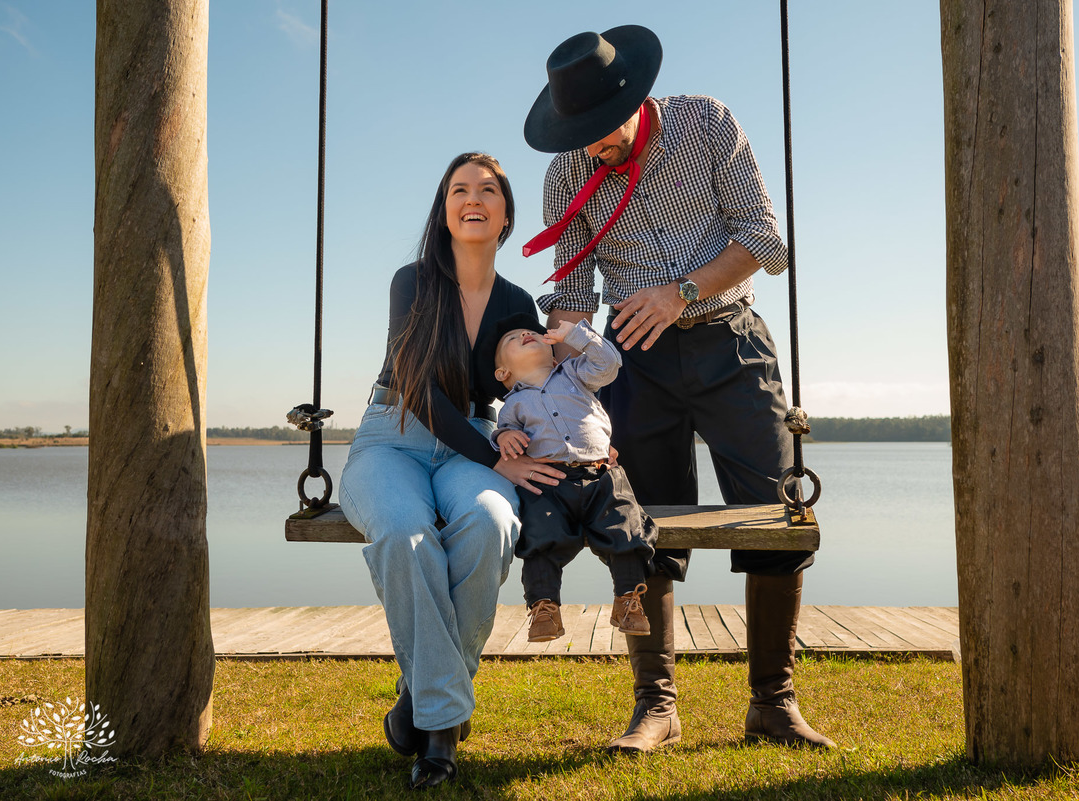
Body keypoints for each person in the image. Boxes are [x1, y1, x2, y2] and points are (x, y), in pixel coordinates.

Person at [522, 26, 835, 752]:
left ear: (635, 99)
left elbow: (767, 241)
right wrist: (547, 382)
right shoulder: (569, 173)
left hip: (733, 341)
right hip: (636, 362)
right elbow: (571, 292)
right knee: (642, 526)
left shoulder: (707, 123)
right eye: (580, 135)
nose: (592, 146)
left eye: (602, 131)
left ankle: (773, 703)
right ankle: (655, 706)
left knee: (776, 516)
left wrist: (679, 292)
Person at [338, 152, 566, 790]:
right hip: (396, 434)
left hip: (479, 438)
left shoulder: (518, 301)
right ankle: (440, 730)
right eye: (459, 189)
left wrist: (572, 438)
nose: (474, 199)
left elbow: (531, 387)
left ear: (504, 214)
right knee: (404, 529)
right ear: (444, 212)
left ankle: (419, 706)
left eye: (488, 190)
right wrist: (494, 456)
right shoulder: (411, 282)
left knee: (491, 521)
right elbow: (415, 383)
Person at [486, 313, 658, 642]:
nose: (526, 334)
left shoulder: (575, 374)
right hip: (549, 485)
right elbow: (504, 432)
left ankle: (628, 599)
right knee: (538, 536)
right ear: (503, 373)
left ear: (553, 353)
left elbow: (609, 363)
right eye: (513, 338)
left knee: (627, 526)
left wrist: (578, 334)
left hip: (601, 475)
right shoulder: (513, 404)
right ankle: (543, 607)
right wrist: (504, 438)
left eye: (531, 332)